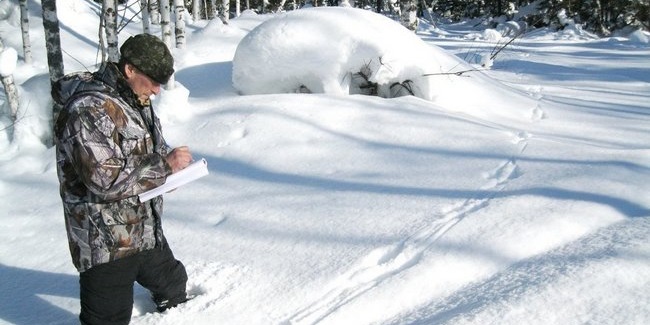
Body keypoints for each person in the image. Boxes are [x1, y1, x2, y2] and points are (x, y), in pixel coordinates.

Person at [53, 33, 192, 324]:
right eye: (153, 81)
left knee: (174, 284)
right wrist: (162, 168)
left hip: (143, 227)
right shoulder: (88, 109)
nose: (156, 90)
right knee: (108, 319)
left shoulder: (134, 99)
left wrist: (173, 173)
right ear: (130, 70)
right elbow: (103, 178)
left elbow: (151, 149)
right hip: (106, 240)